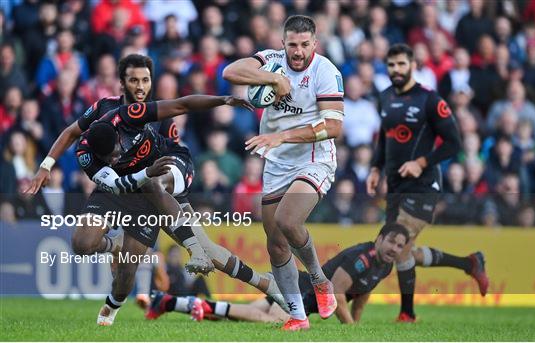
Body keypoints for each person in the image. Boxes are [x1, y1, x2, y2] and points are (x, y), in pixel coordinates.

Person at [26, 54, 285, 325]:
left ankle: (258, 280)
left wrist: (223, 99)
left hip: (165, 174)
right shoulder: (101, 117)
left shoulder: (150, 113)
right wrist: (46, 164)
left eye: (145, 80)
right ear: (122, 83)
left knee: (171, 231)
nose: (140, 87)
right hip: (125, 185)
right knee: (82, 244)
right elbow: (75, 138)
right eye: (134, 80)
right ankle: (117, 250)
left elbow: (182, 108)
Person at [223, 15, 344, 330]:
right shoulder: (272, 61)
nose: (298, 51)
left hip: (313, 158)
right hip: (277, 162)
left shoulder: (326, 71)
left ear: (314, 44)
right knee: (275, 242)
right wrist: (273, 80)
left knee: (288, 221)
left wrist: (282, 136)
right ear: (283, 43)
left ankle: (319, 281)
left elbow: (334, 126)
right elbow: (229, 71)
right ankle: (298, 317)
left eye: (305, 44)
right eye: (292, 44)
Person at [366, 44, 488, 323]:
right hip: (396, 185)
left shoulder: (430, 100)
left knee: (392, 244)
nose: (396, 70)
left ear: (412, 65)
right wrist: (376, 167)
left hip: (424, 186)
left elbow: (453, 143)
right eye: (391, 65)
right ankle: (469, 263)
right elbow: (385, 138)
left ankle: (407, 314)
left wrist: (421, 162)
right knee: (401, 250)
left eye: (401, 64)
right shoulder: (384, 97)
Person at [148, 223, 409, 324]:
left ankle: (170, 302)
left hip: (298, 289)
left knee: (234, 317)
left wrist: (358, 322)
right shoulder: (362, 257)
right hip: (301, 293)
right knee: (269, 321)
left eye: (400, 246)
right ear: (379, 238)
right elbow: (338, 295)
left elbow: (362, 293)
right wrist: (350, 329)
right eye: (392, 242)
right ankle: (181, 303)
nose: (395, 249)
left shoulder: (385, 264)